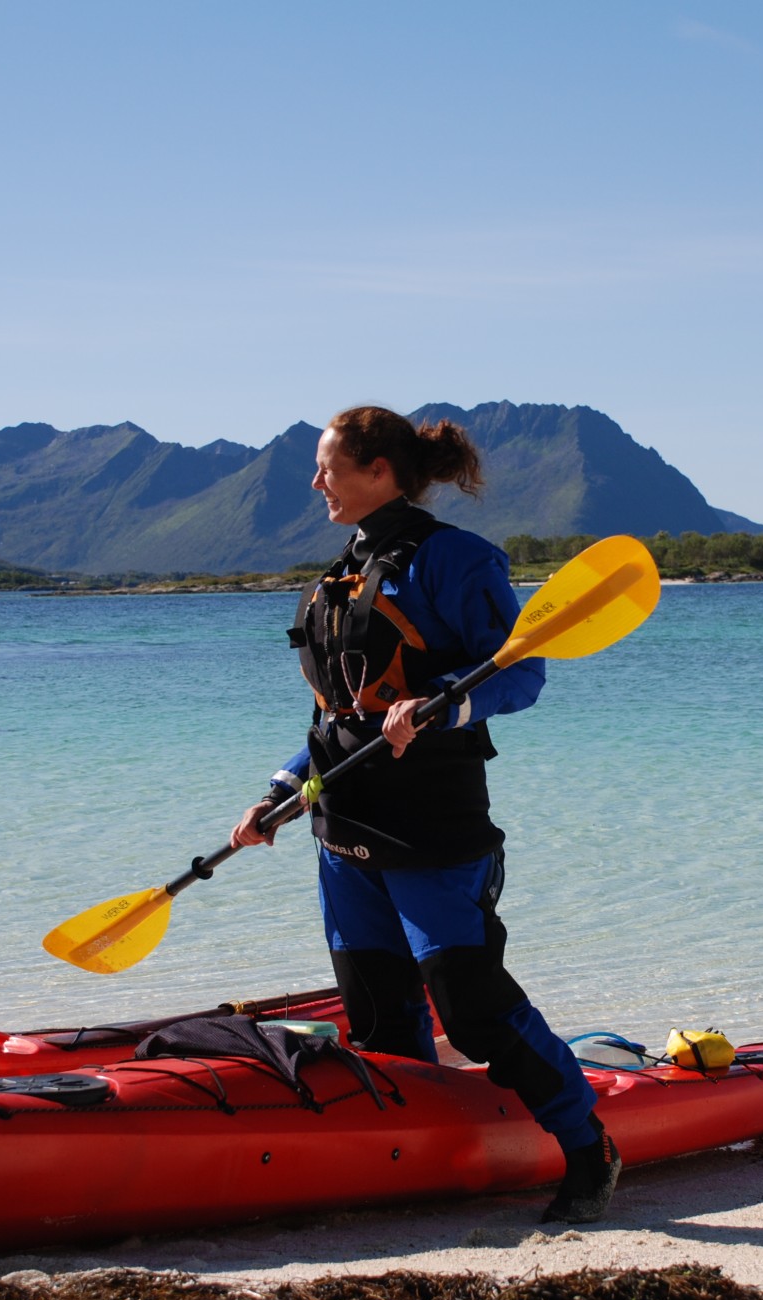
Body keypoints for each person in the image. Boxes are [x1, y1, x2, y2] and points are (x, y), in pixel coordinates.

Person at [231, 405, 620, 1223]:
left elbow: (519, 678)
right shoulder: (337, 577)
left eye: (327, 467)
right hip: (342, 835)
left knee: (473, 1009)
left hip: (433, 831)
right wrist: (279, 793)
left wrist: (443, 706)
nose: (315, 482)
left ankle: (588, 1144)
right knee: (377, 1018)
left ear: (379, 471)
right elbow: (340, 718)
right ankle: (409, 1157)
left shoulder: (456, 561)